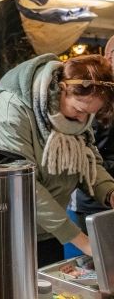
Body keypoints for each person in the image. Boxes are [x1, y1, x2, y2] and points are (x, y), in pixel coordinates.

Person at [0, 53, 114, 268]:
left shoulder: (76, 114)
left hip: (50, 231)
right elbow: (22, 185)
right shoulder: (10, 113)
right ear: (60, 88)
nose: (81, 120)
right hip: (7, 233)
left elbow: (86, 162)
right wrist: (83, 242)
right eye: (79, 110)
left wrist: (109, 192)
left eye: (89, 114)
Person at [67, 36, 114, 239]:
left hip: (107, 192)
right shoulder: (92, 95)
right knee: (96, 263)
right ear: (110, 57)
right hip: (91, 201)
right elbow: (86, 154)